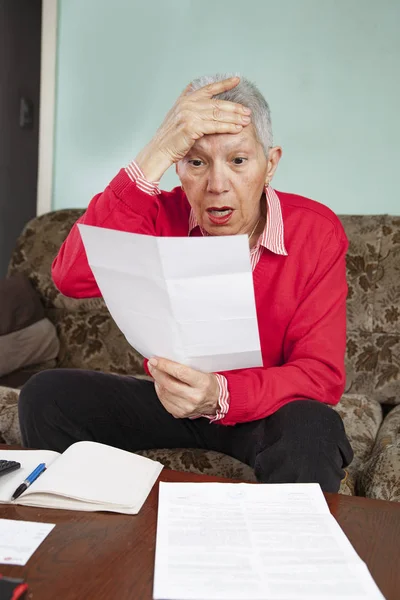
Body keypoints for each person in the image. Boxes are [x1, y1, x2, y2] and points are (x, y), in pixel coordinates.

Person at [18, 74, 353, 492]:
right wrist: (154, 151)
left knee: (315, 427)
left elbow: (320, 375)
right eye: (196, 162)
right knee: (46, 395)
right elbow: (71, 277)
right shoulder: (158, 214)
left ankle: (288, 553)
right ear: (177, 165)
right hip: (167, 403)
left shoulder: (316, 231)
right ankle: (79, 539)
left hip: (261, 411)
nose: (216, 184)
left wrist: (220, 394)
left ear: (270, 164)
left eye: (238, 161)